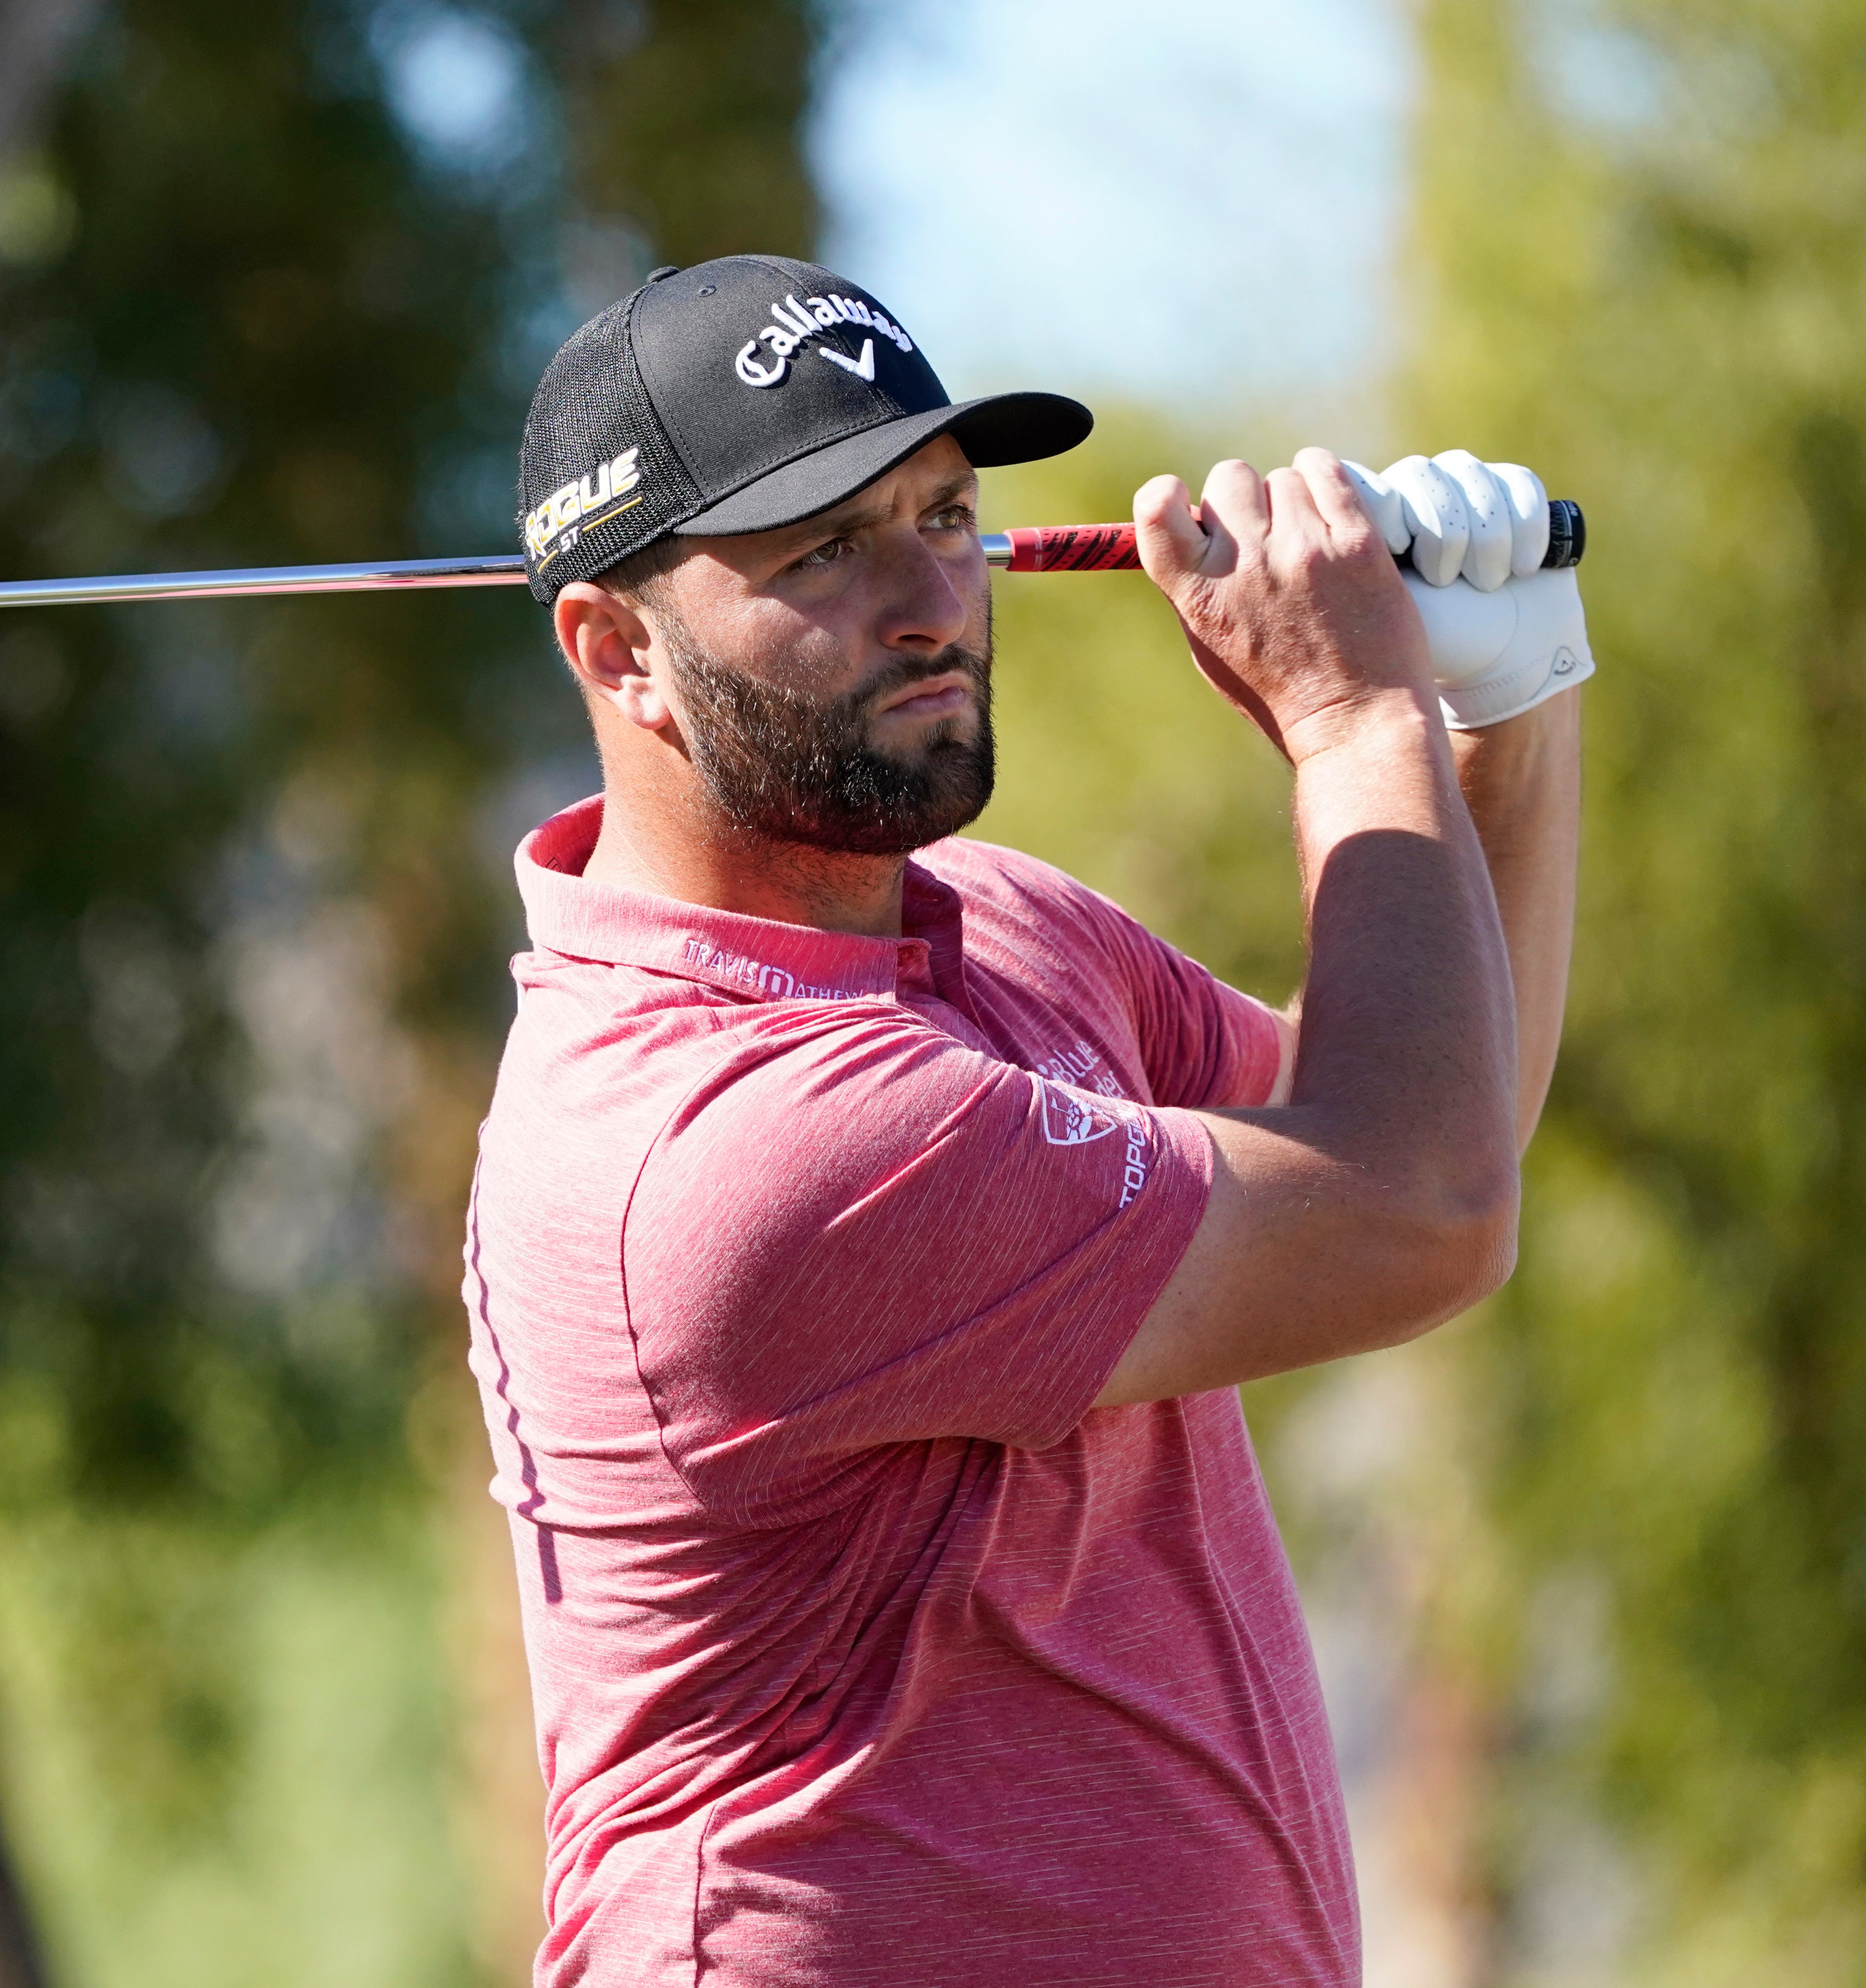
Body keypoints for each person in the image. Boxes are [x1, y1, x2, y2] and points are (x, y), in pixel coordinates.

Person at [462, 254, 1583, 1985]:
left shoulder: (1000, 927)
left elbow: (1444, 1111)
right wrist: (1355, 715)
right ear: (622, 652)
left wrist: (1502, 714)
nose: (931, 595)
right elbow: (1417, 1204)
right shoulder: (722, 1143)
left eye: (942, 510)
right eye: (821, 547)